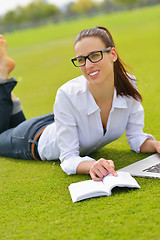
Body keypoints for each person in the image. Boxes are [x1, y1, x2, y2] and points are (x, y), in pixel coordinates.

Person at [0, 27, 160, 181]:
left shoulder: (128, 84)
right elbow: (68, 158)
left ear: (113, 54)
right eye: (81, 59)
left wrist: (155, 145)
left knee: (10, 129)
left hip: (59, 124)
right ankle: (3, 77)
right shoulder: (67, 94)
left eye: (95, 55)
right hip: (34, 139)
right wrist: (91, 165)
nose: (88, 65)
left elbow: (136, 138)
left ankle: (6, 85)